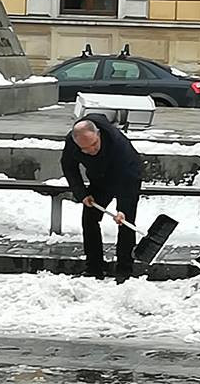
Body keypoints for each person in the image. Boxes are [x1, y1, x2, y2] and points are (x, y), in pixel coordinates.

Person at [61, 114, 144, 283]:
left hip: (128, 176)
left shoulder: (118, 145)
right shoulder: (72, 142)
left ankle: (124, 270)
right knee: (89, 219)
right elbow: (69, 167)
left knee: (126, 223)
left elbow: (127, 179)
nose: (91, 151)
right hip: (99, 179)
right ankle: (94, 267)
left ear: (98, 134)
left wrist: (122, 209)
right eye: (85, 149)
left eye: (94, 145)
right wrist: (82, 194)